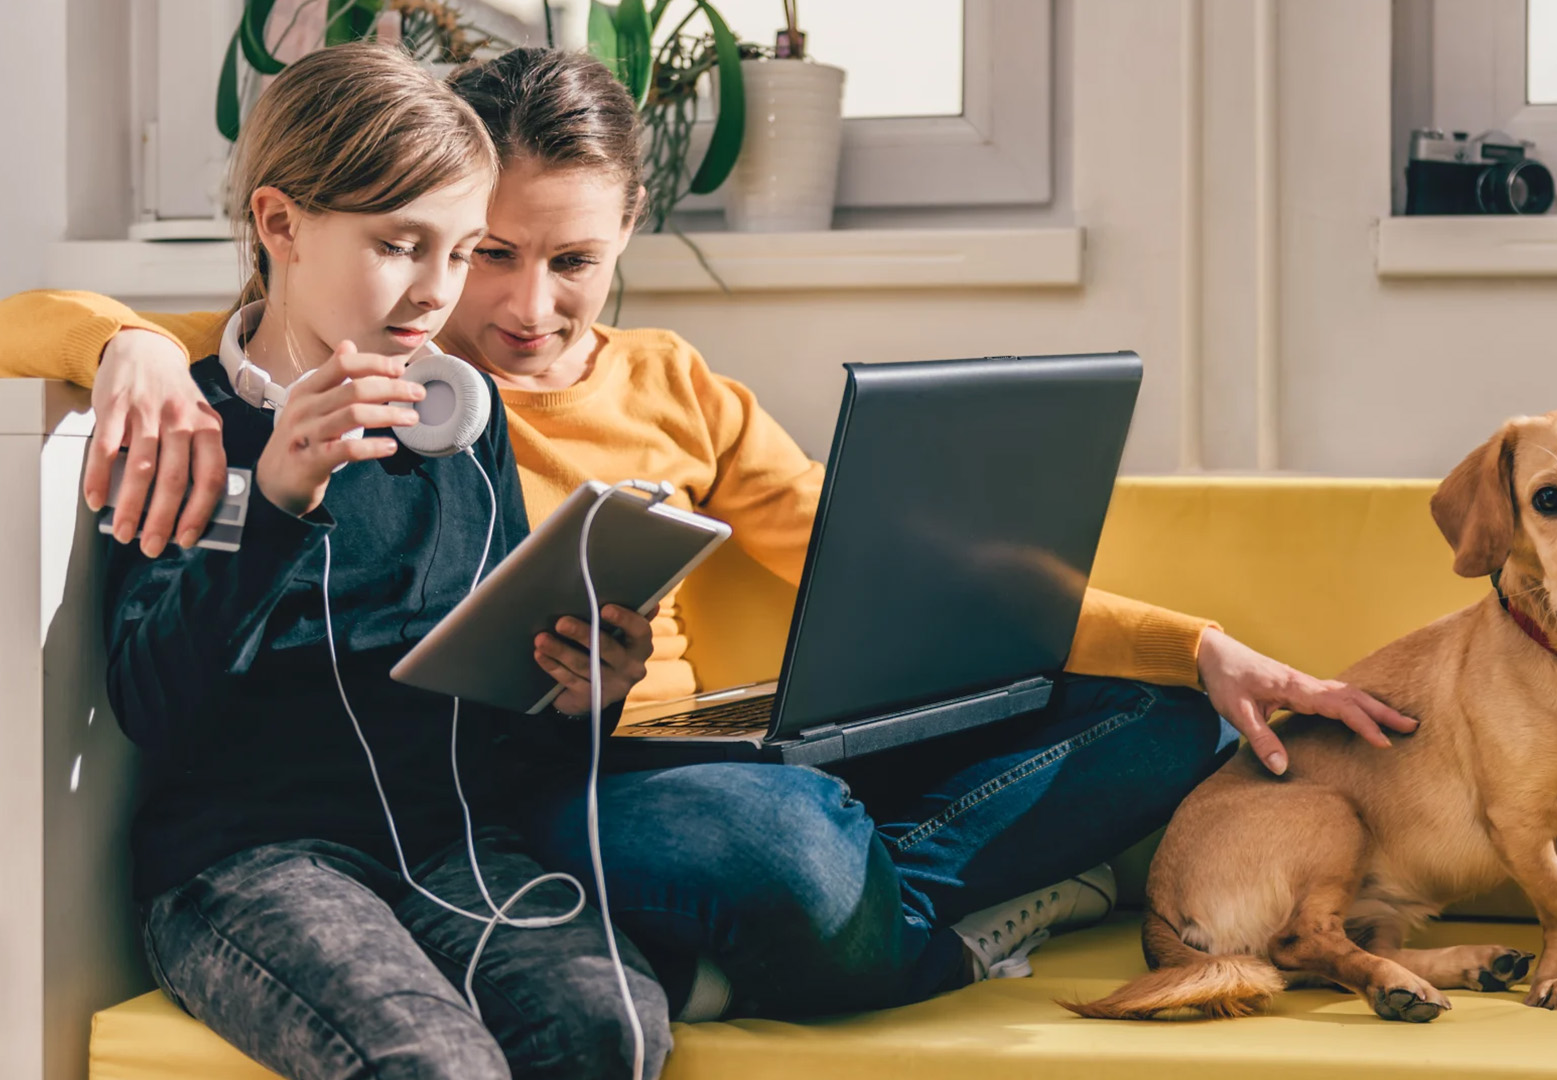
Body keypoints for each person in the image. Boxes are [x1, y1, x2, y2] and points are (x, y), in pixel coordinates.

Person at [2, 45, 1415, 1027]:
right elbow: (53, 328)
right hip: (551, 780)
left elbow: (928, 579)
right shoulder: (371, 359)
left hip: (682, 730)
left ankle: (856, 900)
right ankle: (877, 912)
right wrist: (124, 341)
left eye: (573, 262)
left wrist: (1205, 648)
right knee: (784, 842)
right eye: (485, 249)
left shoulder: (674, 385)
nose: (519, 305)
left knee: (1163, 729)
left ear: (622, 247)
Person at [95, 44, 669, 1080]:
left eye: (459, 252)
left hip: (448, 846)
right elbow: (153, 708)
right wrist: (275, 496)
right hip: (250, 864)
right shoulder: (199, 429)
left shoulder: (455, 420)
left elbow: (497, 744)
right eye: (401, 245)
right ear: (280, 224)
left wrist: (583, 690)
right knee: (434, 1067)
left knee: (613, 1026)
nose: (434, 293)